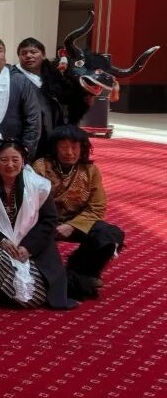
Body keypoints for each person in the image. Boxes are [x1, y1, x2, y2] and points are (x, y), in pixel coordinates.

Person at [0, 139, 78, 310]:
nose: (10, 165)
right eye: (4, 160)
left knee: (41, 285)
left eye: (15, 159)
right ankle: (5, 293)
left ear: (23, 160)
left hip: (32, 242)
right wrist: (1, 240)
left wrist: (28, 247)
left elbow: (48, 220)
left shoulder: (39, 185)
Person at [32, 125, 124, 299]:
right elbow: (32, 204)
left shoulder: (90, 171)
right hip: (44, 223)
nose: (69, 152)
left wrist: (72, 226)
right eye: (64, 147)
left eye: (74, 147)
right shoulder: (41, 167)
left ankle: (83, 271)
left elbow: (97, 207)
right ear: (55, 147)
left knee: (110, 234)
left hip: (77, 223)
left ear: (82, 149)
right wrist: (49, 225)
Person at [15, 37, 89, 160]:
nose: (29, 56)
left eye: (33, 52)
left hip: (53, 133)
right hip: (25, 136)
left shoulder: (54, 76)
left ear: (43, 55)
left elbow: (68, 103)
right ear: (19, 56)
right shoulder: (12, 77)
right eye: (24, 53)